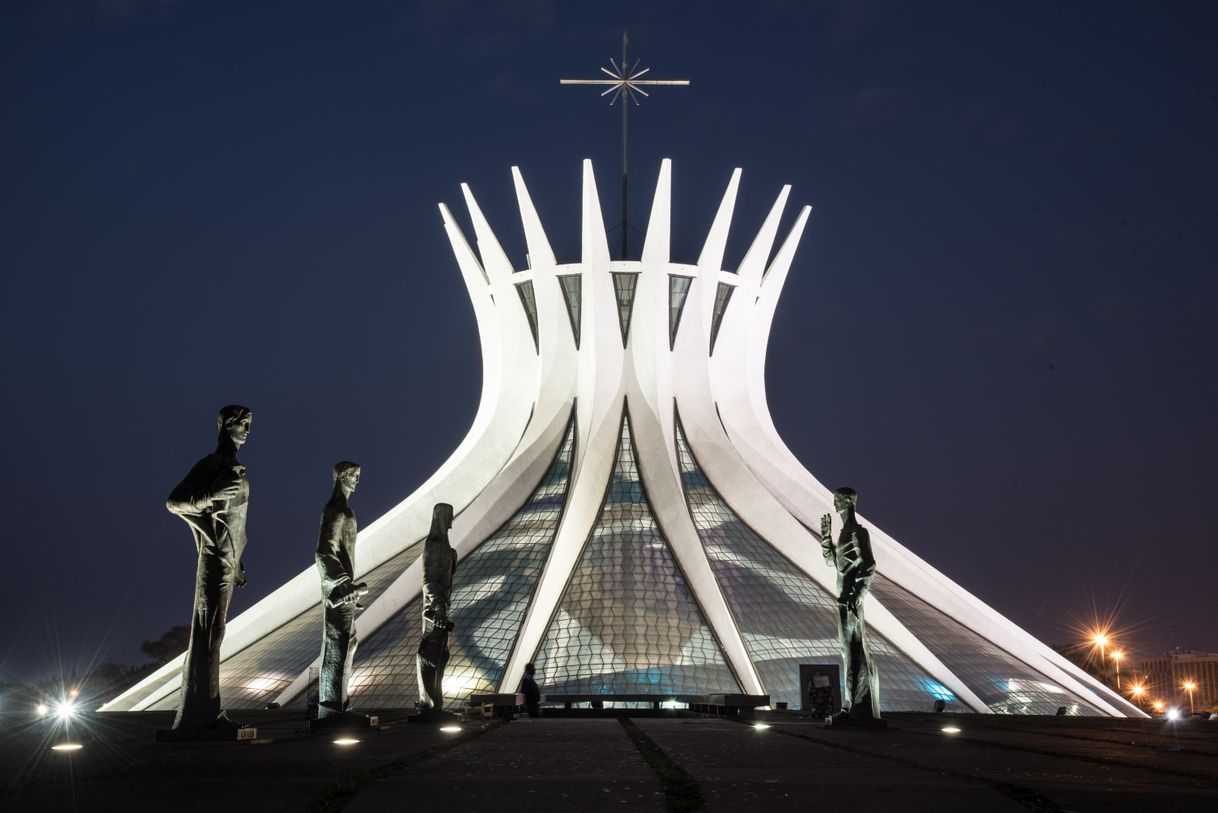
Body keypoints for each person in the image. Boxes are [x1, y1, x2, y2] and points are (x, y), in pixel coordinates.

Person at [165, 405, 252, 731]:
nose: (247, 429)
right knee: (207, 633)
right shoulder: (212, 464)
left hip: (228, 561)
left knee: (214, 633)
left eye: (249, 424)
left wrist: (238, 559)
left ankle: (203, 713)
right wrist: (208, 495)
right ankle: (203, 715)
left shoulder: (236, 468)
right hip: (214, 561)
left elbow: (233, 523)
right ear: (226, 425)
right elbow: (174, 501)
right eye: (241, 423)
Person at [820, 486, 881, 722]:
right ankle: (853, 704)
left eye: (836, 500)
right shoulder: (844, 532)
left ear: (847, 502)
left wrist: (856, 594)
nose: (834, 504)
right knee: (848, 651)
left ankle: (852, 707)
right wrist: (826, 539)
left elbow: (869, 565)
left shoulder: (858, 532)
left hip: (850, 601)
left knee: (852, 650)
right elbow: (833, 564)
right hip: (843, 599)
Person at [315, 461, 369, 721]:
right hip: (338, 591)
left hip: (346, 591)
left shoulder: (346, 510)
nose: (357, 481)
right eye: (353, 476)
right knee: (338, 643)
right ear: (340, 478)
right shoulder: (336, 511)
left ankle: (340, 703)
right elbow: (323, 552)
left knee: (349, 641)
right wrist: (343, 584)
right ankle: (331, 707)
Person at [416, 503, 457, 719]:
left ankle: (436, 704)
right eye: (449, 515)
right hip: (434, 610)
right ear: (440, 516)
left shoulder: (446, 545)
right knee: (430, 653)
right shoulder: (433, 544)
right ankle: (428, 703)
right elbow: (428, 580)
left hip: (443, 607)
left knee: (442, 654)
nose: (452, 519)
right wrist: (438, 605)